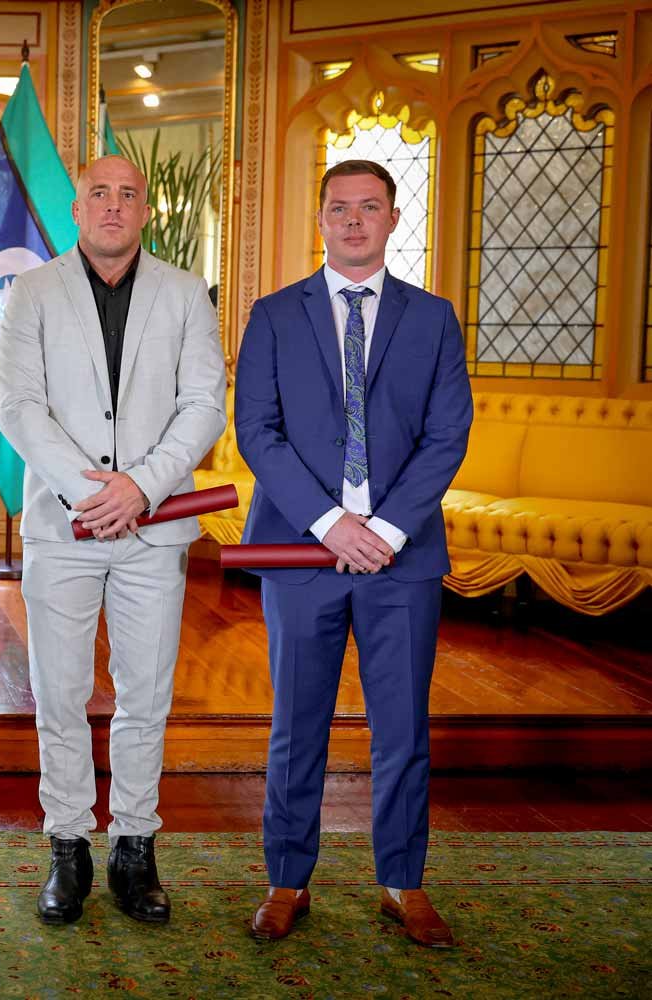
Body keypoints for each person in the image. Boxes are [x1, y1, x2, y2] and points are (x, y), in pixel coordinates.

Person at [235, 159, 472, 948]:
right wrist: (332, 523)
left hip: (404, 560)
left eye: (370, 208)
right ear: (321, 219)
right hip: (302, 555)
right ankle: (286, 880)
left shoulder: (434, 318)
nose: (353, 221)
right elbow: (257, 435)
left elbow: (447, 437)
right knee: (296, 725)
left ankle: (402, 884)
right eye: (340, 208)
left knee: (402, 727)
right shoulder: (272, 315)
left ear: (393, 219)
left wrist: (389, 531)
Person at [0, 155, 226, 926]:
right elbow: (20, 408)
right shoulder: (31, 290)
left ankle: (135, 846)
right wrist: (91, 492)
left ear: (145, 213)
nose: (115, 206)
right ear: (78, 207)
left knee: (145, 695)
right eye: (101, 193)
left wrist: (143, 487)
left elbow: (202, 405)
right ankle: (68, 845)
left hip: (153, 530)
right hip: (64, 525)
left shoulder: (186, 292)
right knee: (58, 694)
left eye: (130, 195)